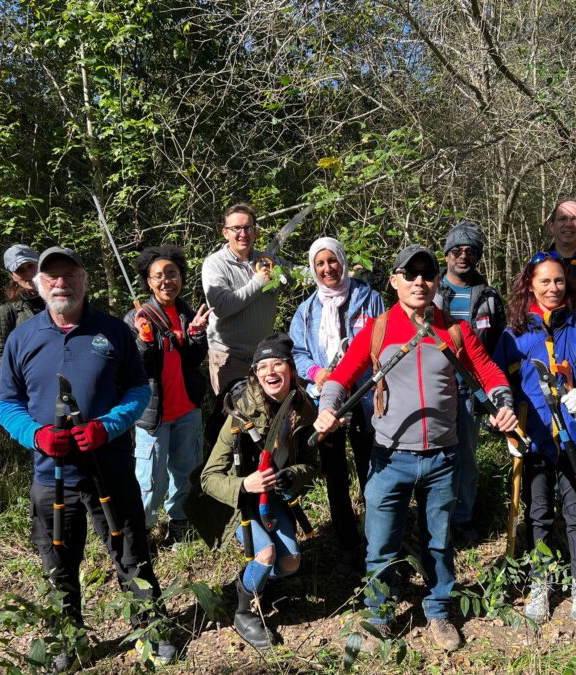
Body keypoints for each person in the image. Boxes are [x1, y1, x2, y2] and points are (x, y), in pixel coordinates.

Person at [314, 245, 518, 652]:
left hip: (444, 458)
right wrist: (326, 409)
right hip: (388, 458)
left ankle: (439, 611)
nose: (419, 281)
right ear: (394, 281)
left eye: (427, 274)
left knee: (439, 542)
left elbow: (489, 372)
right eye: (410, 274)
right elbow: (341, 377)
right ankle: (379, 616)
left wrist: (504, 405)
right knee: (381, 544)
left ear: (437, 281)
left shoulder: (454, 330)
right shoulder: (377, 329)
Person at [0, 246, 175, 668]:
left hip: (110, 469)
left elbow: (137, 391)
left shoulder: (112, 331)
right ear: (38, 285)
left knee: (131, 553)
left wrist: (105, 426)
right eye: (52, 277)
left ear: (84, 279)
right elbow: (6, 403)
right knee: (57, 562)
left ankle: (150, 628)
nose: (61, 283)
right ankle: (69, 642)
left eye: (69, 275)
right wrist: (36, 435)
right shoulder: (22, 337)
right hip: (49, 474)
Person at [493, 251, 576, 625]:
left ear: (568, 283)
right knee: (538, 514)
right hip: (533, 439)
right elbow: (498, 382)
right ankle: (542, 579)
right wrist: (505, 424)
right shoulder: (515, 332)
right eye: (544, 281)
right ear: (529, 284)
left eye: (559, 280)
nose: (552, 288)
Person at [196, 333, 319, 650]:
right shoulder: (239, 416)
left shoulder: (302, 411)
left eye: (278, 363)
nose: (271, 371)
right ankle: (245, 611)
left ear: (290, 368)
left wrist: (290, 475)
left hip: (271, 500)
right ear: (255, 374)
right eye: (263, 366)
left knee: (290, 561)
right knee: (265, 555)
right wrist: (244, 484)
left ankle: (259, 582)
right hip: (236, 503)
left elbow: (310, 465)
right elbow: (208, 478)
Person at [289, 237, 384, 574]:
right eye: (320, 264)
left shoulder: (370, 300)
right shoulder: (307, 311)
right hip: (325, 404)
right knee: (335, 476)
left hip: (366, 400)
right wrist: (317, 373)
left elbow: (385, 343)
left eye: (332, 261)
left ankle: (379, 542)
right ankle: (347, 543)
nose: (328, 269)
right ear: (314, 269)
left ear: (343, 261)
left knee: (372, 471)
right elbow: (298, 353)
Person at [123, 245, 211, 545]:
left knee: (186, 472)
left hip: (186, 408)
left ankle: (180, 524)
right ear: (148, 282)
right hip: (152, 413)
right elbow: (137, 368)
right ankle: (142, 530)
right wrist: (144, 340)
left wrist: (197, 335)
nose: (166, 281)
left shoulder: (187, 313)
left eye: (172, 274)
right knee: (150, 480)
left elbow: (193, 359)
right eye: (158, 276)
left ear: (181, 278)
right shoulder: (135, 317)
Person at [434, 221, 507, 544]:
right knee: (433, 455)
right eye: (457, 250)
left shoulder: (489, 297)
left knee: (466, 456)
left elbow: (498, 346)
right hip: (434, 385)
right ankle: (433, 520)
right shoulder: (431, 291)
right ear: (446, 253)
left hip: (470, 388)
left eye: (470, 251)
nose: (463, 256)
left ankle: (461, 519)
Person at [202, 202, 280, 396]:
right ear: (225, 232)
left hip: (262, 358)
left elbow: (299, 273)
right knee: (237, 420)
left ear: (255, 232)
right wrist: (258, 282)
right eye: (236, 228)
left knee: (267, 418)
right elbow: (221, 306)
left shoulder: (267, 261)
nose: (243, 233)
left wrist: (340, 273)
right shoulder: (215, 264)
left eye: (248, 228)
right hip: (229, 359)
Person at [0, 244, 45, 373]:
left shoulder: (59, 302)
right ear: (12, 276)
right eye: (20, 270)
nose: (28, 273)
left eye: (31, 266)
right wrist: (26, 367)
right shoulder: (6, 312)